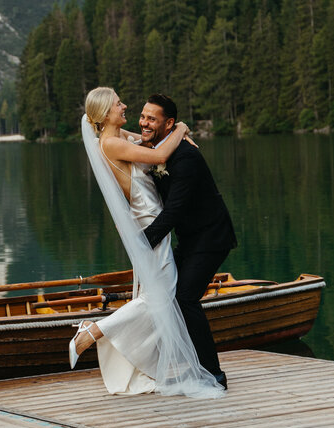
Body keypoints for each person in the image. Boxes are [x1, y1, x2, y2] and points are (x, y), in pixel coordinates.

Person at [72, 87, 223, 400]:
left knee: (158, 296)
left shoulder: (119, 137)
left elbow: (150, 141)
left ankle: (137, 366)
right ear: (105, 113)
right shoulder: (112, 143)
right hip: (150, 228)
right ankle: (95, 330)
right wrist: (181, 128)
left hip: (154, 228)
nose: (124, 106)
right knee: (159, 298)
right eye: (118, 103)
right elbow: (158, 155)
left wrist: (175, 135)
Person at [139, 94, 236, 389]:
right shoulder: (156, 147)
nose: (144, 123)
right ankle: (193, 366)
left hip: (211, 237)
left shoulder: (186, 156)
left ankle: (214, 375)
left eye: (151, 119)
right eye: (142, 116)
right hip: (189, 239)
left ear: (168, 123)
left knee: (185, 297)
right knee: (169, 295)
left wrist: (142, 244)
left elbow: (174, 210)